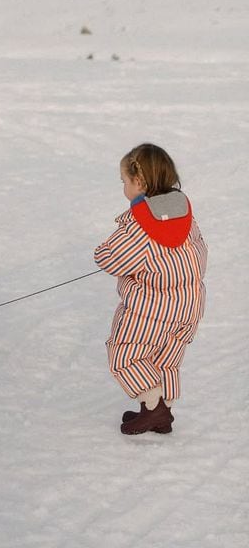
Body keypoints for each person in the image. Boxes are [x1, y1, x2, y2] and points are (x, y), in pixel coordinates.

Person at [94, 143, 207, 435]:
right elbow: (199, 251)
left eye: (125, 181)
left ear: (140, 182)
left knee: (125, 353)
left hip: (152, 306)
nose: (124, 188)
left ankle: (154, 407)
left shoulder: (140, 223)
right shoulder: (182, 211)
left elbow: (113, 258)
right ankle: (160, 411)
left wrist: (101, 253)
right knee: (164, 357)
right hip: (189, 303)